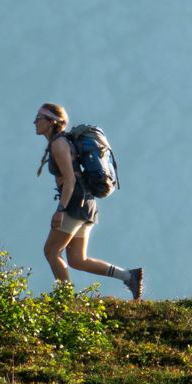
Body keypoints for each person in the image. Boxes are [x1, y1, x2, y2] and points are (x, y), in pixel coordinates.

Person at [35, 101, 144, 299]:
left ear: (51, 122)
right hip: (86, 203)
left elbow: (69, 180)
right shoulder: (61, 142)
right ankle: (129, 276)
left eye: (39, 118)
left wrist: (60, 209)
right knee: (77, 259)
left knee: (51, 251)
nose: (35, 122)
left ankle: (66, 299)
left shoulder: (59, 144)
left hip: (75, 203)